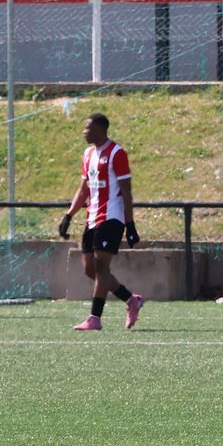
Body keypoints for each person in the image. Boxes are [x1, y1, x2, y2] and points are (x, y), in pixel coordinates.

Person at [59, 112, 143, 331]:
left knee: (102, 266)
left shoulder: (117, 153)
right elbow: (84, 189)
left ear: (99, 129)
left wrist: (130, 224)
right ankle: (131, 299)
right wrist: (69, 216)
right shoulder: (88, 154)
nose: (84, 132)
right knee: (90, 269)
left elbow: (126, 191)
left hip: (112, 217)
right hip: (92, 217)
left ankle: (94, 318)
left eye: (87, 128)